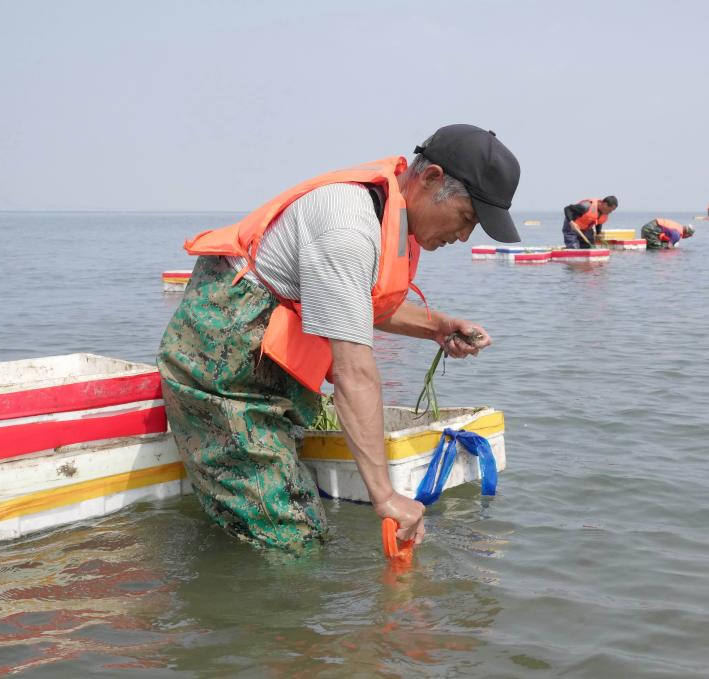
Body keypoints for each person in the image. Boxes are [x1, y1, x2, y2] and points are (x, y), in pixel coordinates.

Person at [156, 124, 521, 553]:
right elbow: (355, 375)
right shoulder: (347, 227)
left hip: (261, 377)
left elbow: (361, 304)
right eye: (466, 219)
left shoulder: (384, 210)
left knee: (283, 517)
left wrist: (438, 327)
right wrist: (384, 497)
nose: (463, 237)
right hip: (221, 380)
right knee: (294, 541)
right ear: (431, 178)